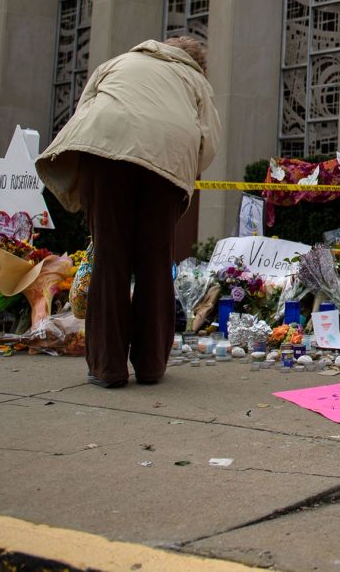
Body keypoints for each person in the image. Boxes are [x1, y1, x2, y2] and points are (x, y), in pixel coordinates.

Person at [37, 37, 222, 387]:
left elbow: (87, 107)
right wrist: (183, 174)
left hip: (104, 154)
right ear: (197, 62)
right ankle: (151, 365)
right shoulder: (195, 80)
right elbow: (209, 140)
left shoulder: (119, 61)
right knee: (155, 262)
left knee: (110, 258)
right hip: (163, 164)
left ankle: (107, 368)